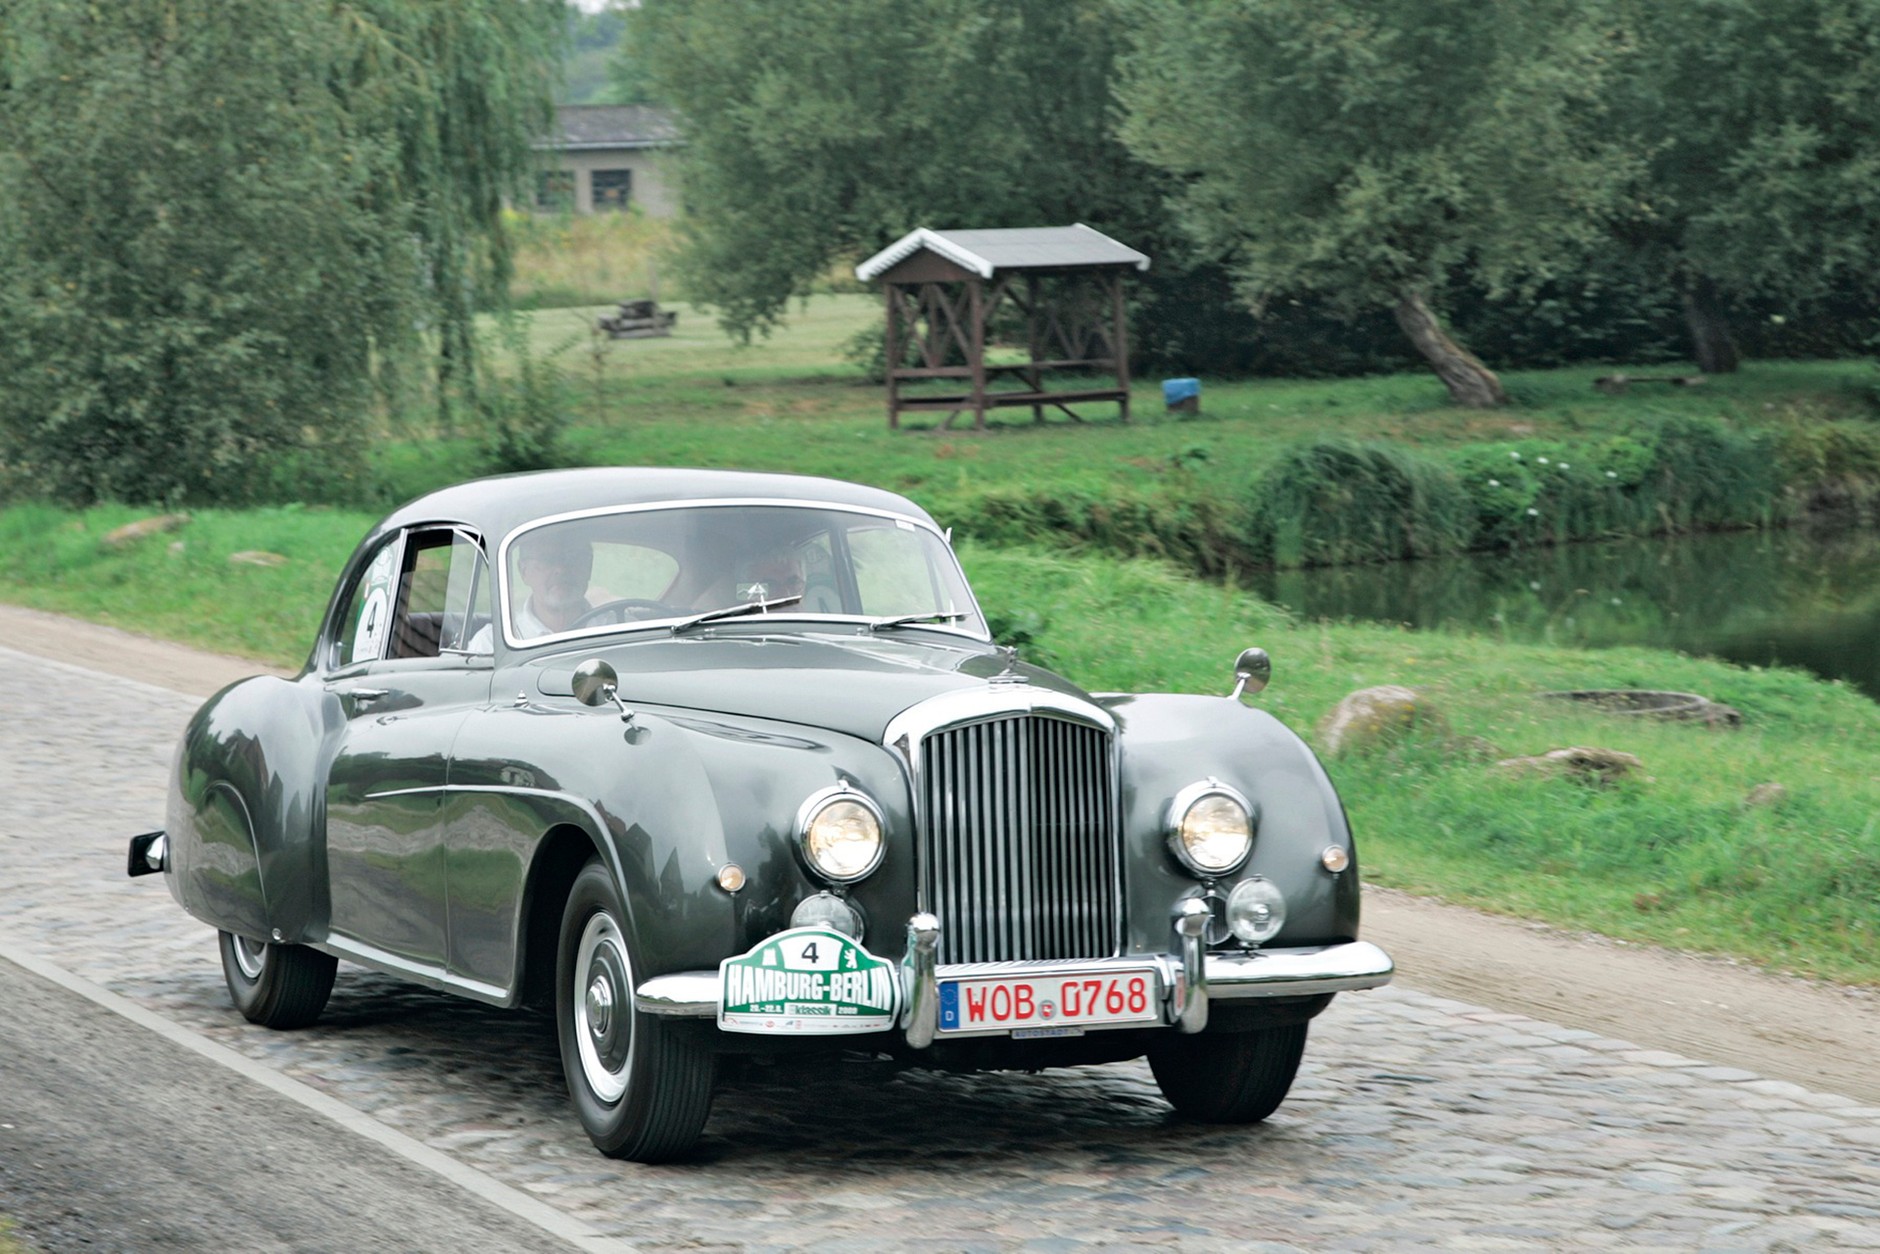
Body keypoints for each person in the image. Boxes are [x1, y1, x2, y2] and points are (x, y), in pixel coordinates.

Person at [468, 527, 594, 649]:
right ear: (524, 571)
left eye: (573, 558)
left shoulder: (612, 626)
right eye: (547, 560)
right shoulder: (490, 644)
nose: (560, 569)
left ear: (589, 566)